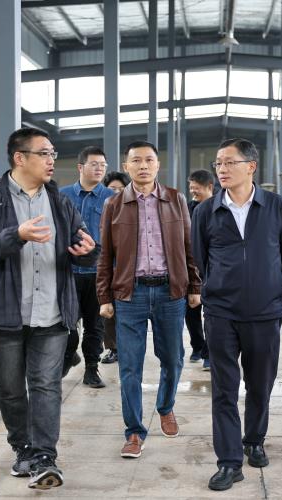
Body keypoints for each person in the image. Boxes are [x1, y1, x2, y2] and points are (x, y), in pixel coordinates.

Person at [0, 127, 99, 489]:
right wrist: (17, 235)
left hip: (51, 312)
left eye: (53, 153)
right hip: (6, 312)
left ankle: (44, 457)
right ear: (19, 158)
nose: (52, 160)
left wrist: (89, 252)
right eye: (44, 153)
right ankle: (22, 448)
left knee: (46, 386)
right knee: (11, 389)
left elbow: (83, 244)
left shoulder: (60, 202)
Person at [191, 138, 282, 491]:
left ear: (251, 166)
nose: (221, 169)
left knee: (260, 383)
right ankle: (229, 461)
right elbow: (200, 258)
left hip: (265, 312)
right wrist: (220, 287)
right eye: (218, 163)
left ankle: (254, 440)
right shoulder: (205, 211)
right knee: (224, 388)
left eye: (229, 162)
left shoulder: (276, 206)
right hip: (221, 312)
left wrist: (268, 285)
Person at [96, 140, 201, 459]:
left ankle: (165, 407)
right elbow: (105, 254)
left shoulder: (175, 199)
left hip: (170, 292)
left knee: (173, 358)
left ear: (158, 164)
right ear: (126, 166)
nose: (143, 165)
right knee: (130, 365)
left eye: (149, 160)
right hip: (130, 294)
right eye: (136, 160)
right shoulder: (114, 204)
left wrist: (194, 285)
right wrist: (104, 295)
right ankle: (133, 432)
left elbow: (189, 246)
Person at [59, 146, 114, 388]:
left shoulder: (112, 198)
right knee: (65, 324)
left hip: (98, 274)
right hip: (67, 272)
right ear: (80, 167)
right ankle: (68, 355)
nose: (100, 168)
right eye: (94, 164)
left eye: (103, 165)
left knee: (95, 325)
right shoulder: (62, 196)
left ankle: (92, 369)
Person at [99, 171, 132, 365]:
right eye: (112, 189)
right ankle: (113, 348)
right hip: (105, 267)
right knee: (108, 313)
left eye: (121, 189)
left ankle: (128, 348)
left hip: (127, 269)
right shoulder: (104, 206)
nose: (117, 192)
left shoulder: (133, 208)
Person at [186, 169, 215, 370]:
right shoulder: (188, 208)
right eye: (191, 188)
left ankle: (208, 353)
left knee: (211, 314)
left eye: (197, 188)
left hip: (212, 268)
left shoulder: (219, 208)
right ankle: (197, 346)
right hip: (190, 268)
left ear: (209, 187)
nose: (193, 191)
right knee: (191, 312)